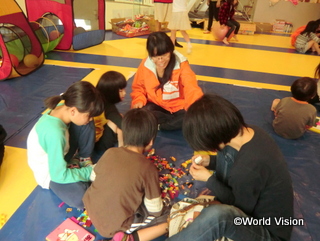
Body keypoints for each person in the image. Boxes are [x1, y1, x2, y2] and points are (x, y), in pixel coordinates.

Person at [166, 94, 294, 241]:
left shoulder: (247, 168)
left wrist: (209, 179)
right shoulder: (251, 132)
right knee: (225, 152)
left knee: (219, 217)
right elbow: (234, 160)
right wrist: (211, 161)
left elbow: (236, 208)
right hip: (257, 204)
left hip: (268, 232)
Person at [83, 108, 169, 241]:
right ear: (151, 141)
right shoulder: (148, 168)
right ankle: (126, 237)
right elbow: (155, 210)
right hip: (114, 226)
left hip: (91, 209)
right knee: (166, 214)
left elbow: (93, 177)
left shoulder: (110, 152)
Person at [27, 81, 104, 209]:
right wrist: (89, 172)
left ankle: (82, 159)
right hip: (51, 173)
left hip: (63, 153)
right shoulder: (54, 133)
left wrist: (86, 167)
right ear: (73, 111)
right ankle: (79, 169)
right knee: (82, 198)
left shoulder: (66, 103)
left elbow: (85, 111)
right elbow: (59, 175)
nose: (91, 119)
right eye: (89, 116)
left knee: (86, 123)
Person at [131, 32, 203, 131]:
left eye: (164, 55)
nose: (160, 60)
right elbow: (138, 88)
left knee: (193, 116)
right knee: (141, 114)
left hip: (179, 107)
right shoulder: (145, 65)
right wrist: (138, 100)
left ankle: (162, 125)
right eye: (155, 57)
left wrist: (193, 107)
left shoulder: (181, 64)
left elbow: (191, 87)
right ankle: (171, 123)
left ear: (170, 51)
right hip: (156, 106)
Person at [94, 71, 127, 156]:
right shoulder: (108, 107)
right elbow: (122, 124)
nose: (124, 93)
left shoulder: (97, 97)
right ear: (111, 92)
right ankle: (122, 147)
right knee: (118, 121)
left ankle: (122, 146)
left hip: (87, 141)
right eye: (121, 91)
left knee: (118, 120)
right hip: (97, 145)